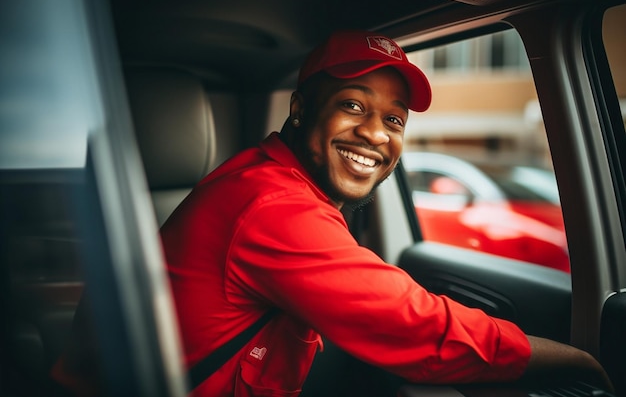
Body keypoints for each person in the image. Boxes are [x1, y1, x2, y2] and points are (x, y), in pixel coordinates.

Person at [50, 30, 612, 397]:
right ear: (300, 109)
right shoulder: (272, 205)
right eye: (353, 105)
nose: (374, 133)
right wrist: (577, 361)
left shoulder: (266, 181)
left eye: (394, 120)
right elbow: (416, 327)